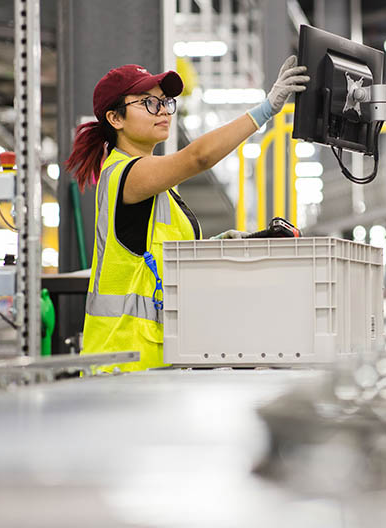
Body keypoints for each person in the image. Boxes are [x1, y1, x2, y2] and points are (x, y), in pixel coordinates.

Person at [66, 57, 309, 372]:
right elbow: (200, 157)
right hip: (122, 361)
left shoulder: (160, 188)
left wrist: (218, 244)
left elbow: (161, 260)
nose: (164, 111)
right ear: (115, 118)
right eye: (149, 103)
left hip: (153, 361)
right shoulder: (124, 174)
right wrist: (265, 110)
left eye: (166, 102)